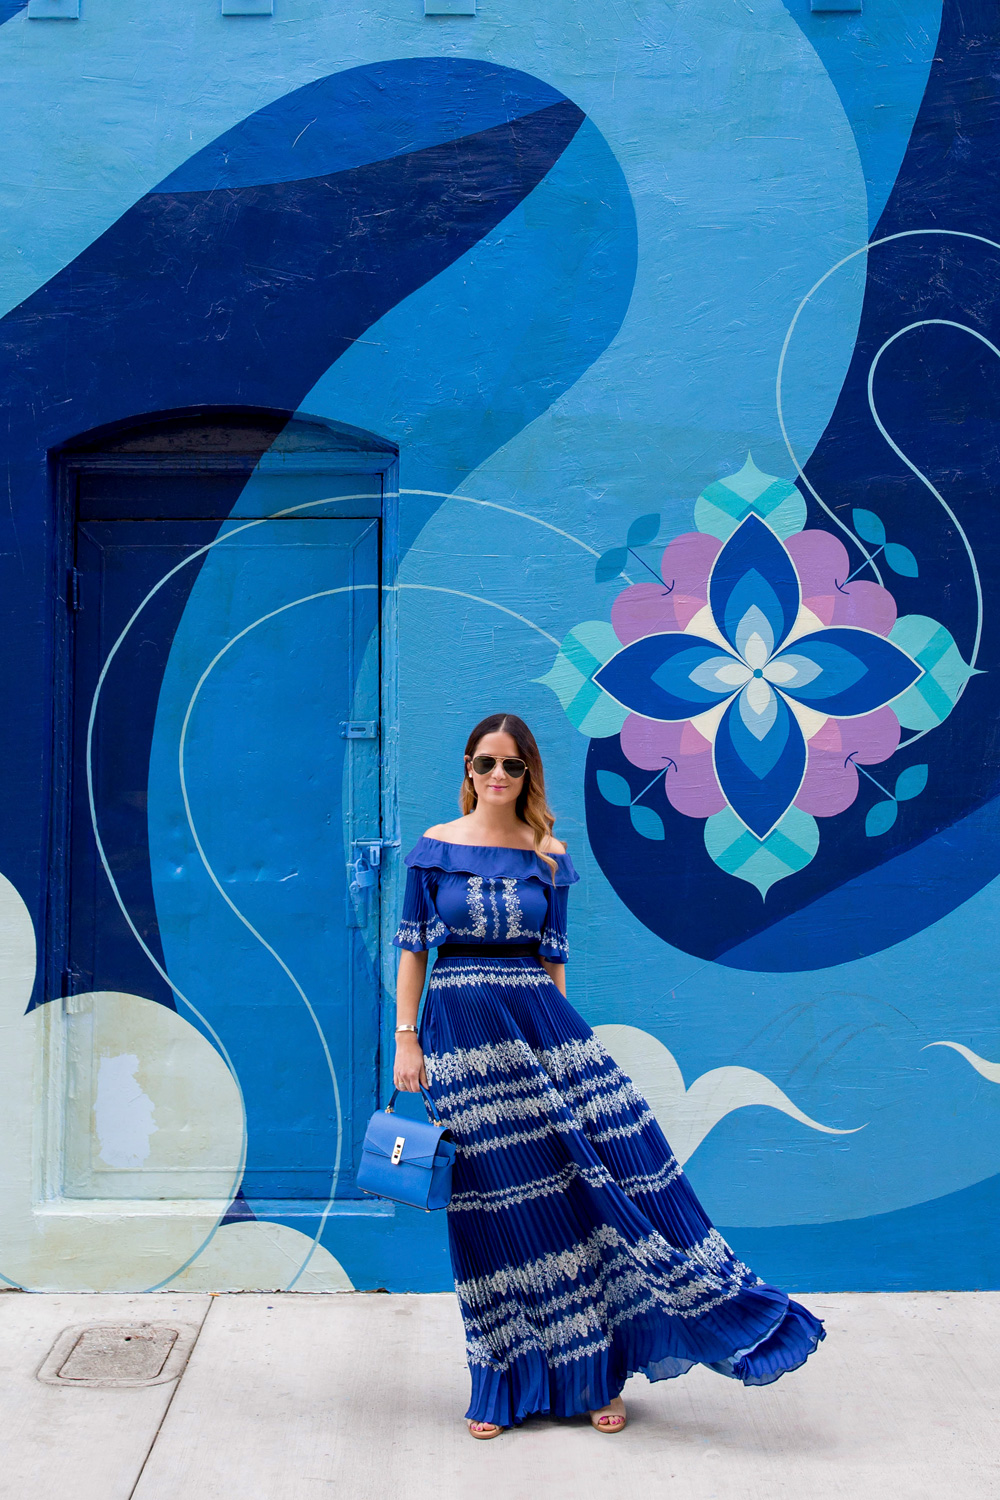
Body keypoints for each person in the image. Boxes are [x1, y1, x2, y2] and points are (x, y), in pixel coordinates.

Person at [392, 712, 824, 1439]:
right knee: (493, 1210)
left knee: (585, 1193)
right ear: (467, 769)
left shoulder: (548, 855)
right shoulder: (433, 851)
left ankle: (598, 1372)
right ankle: (500, 1382)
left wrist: (566, 1057)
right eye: (486, 763)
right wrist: (408, 1042)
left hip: (541, 1030)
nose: (498, 776)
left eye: (513, 766)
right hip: (461, 1036)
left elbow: (554, 960)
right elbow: (411, 950)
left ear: (529, 774)